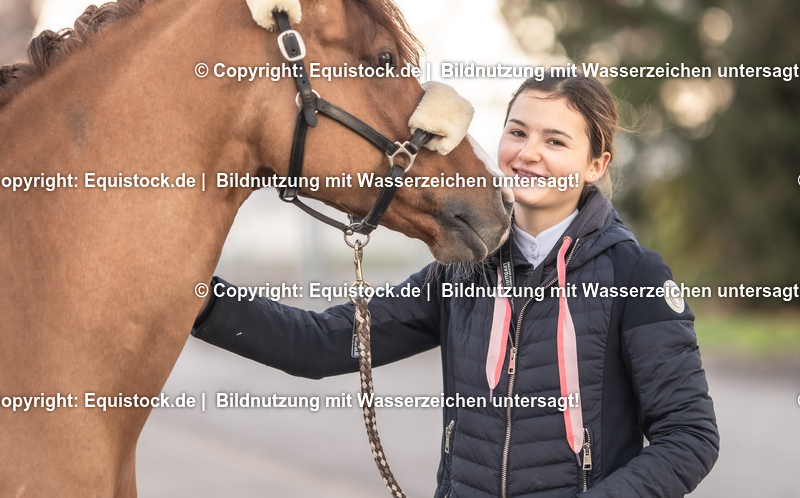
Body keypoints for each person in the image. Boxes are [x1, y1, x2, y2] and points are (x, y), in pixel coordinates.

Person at [192, 73, 719, 497]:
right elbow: (324, 343)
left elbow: (690, 437)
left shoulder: (633, 275)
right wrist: (191, 295)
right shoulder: (461, 269)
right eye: (518, 131)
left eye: (555, 141)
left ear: (594, 164)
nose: (528, 153)